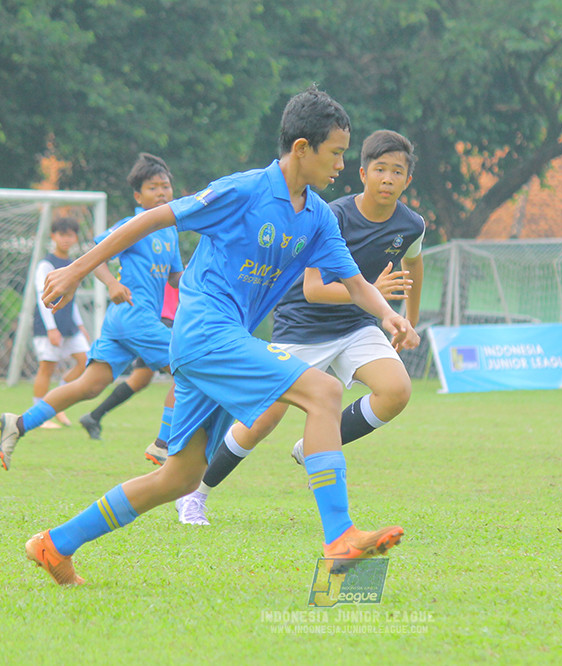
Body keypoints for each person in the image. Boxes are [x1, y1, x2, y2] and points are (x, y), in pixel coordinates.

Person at [22, 87, 419, 585]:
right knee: (324, 391)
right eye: (336, 152)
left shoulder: (317, 216)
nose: (342, 164)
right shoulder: (244, 190)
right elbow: (155, 218)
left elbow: (357, 283)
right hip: (203, 332)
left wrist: (388, 315)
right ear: (301, 148)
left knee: (180, 477)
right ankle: (340, 537)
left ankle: (55, 544)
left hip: (220, 340)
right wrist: (79, 269)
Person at [174, 128, 425, 525]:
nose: (388, 178)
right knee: (262, 421)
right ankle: (196, 493)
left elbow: (414, 263)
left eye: (397, 171)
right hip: (303, 326)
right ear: (363, 174)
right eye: (380, 169)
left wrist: (407, 317)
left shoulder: (412, 225)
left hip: (357, 327)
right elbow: (313, 290)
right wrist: (376, 295)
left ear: (408, 180)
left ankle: (314, 448)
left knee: (396, 391)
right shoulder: (333, 215)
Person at [0, 153, 183, 470]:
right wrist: (111, 283)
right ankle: (164, 444)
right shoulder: (134, 225)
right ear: (138, 196)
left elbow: (176, 278)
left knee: (89, 386)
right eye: (153, 188)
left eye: (166, 187)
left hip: (122, 322)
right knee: (189, 368)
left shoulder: (170, 231)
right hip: (135, 316)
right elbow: (96, 255)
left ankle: (19, 424)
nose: (162, 193)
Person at [78, 272, 180, 443]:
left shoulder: (174, 262)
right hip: (158, 323)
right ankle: (166, 440)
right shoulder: (166, 263)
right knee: (188, 377)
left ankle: (94, 417)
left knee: (140, 379)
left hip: (158, 321)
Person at [30, 217, 91, 428]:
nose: (66, 239)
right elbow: (42, 296)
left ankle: (58, 402)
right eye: (62, 234)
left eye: (70, 235)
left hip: (69, 325)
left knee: (85, 360)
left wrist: (81, 326)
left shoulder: (72, 264)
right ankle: (38, 415)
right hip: (49, 326)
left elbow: (71, 299)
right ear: (53, 236)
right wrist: (51, 329)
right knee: (47, 368)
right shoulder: (46, 264)